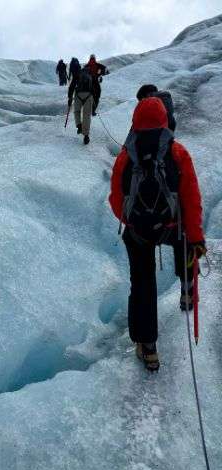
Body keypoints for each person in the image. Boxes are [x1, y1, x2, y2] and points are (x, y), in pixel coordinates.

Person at [109, 97, 206, 371]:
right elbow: (191, 199)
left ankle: (148, 347)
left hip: (139, 231)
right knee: (185, 240)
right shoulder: (177, 153)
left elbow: (116, 199)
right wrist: (196, 237)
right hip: (171, 227)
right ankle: (188, 288)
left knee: (142, 284)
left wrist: (132, 221)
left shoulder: (126, 157)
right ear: (166, 120)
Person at [68, 65, 94, 144]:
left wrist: (70, 97)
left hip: (78, 95)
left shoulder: (77, 74)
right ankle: (86, 136)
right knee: (86, 115)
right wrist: (94, 102)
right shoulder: (90, 75)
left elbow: (72, 86)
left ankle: (79, 125)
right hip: (88, 95)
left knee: (77, 111)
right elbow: (94, 88)